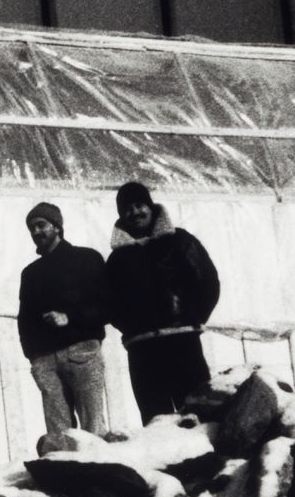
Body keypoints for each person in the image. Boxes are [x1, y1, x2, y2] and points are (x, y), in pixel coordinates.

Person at [106, 181, 221, 424]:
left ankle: (204, 462)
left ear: (150, 206)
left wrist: (191, 317)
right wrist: (132, 327)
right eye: (127, 209)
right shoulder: (117, 258)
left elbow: (208, 282)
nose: (135, 213)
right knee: (156, 419)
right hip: (143, 349)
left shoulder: (181, 241)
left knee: (196, 413)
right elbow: (109, 300)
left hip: (183, 343)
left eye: (140, 205)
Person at [17, 201, 110, 440]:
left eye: (41, 225)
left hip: (83, 353)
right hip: (46, 360)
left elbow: (107, 305)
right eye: (31, 229)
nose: (36, 232)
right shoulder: (30, 273)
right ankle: (68, 477)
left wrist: (70, 317)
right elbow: (24, 319)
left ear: (57, 227)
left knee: (93, 432)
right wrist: (34, 358)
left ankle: (101, 476)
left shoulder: (86, 259)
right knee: (59, 435)